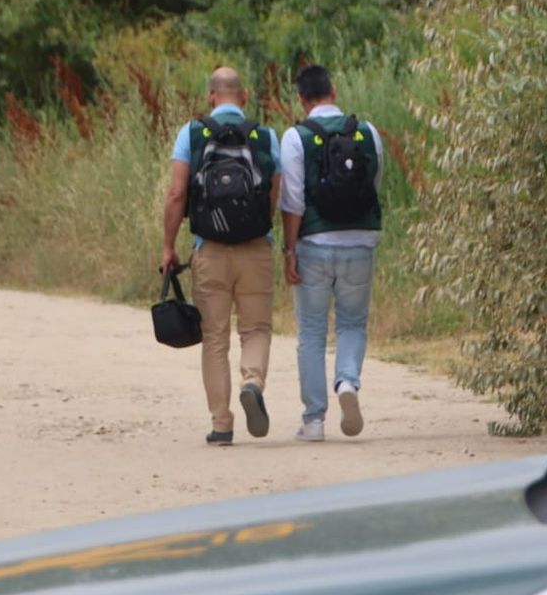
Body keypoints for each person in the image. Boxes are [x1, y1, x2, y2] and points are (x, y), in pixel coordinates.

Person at [160, 66, 282, 445]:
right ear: (244, 97)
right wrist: (258, 226)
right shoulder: (265, 136)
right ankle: (252, 382)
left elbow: (177, 193)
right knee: (256, 329)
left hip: (209, 249)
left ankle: (222, 424)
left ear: (211, 97)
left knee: (214, 337)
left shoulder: (192, 133)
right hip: (255, 248)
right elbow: (275, 192)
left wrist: (168, 246)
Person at [278, 64, 383, 442]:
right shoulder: (367, 132)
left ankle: (314, 421)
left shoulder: (295, 137)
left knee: (311, 331)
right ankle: (348, 382)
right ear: (333, 90)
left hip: (315, 244)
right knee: (352, 323)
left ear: (301, 99)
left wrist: (289, 250)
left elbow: (292, 202)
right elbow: (373, 183)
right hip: (361, 241)